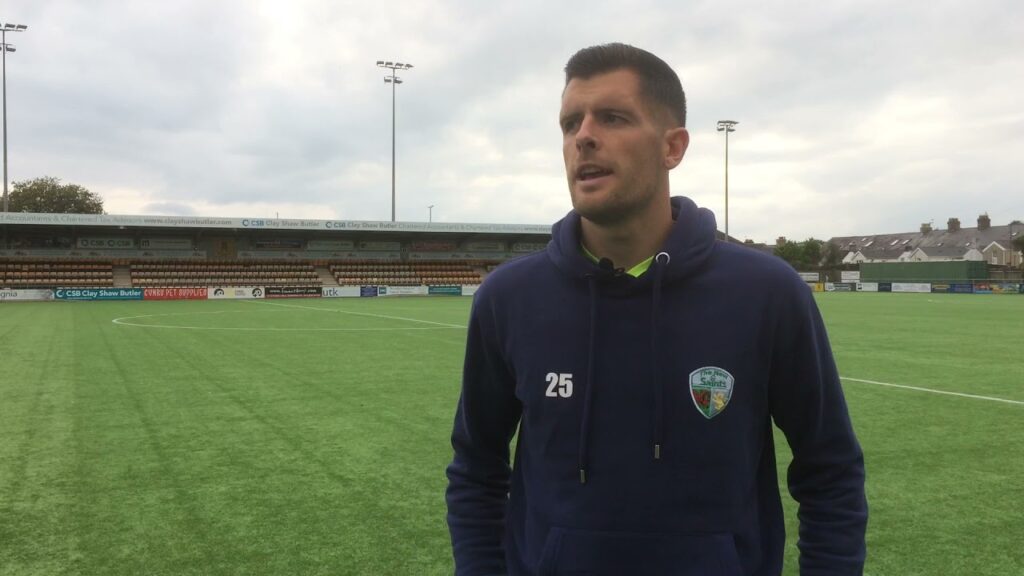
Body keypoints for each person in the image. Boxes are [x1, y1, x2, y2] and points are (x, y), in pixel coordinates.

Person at [445, 42, 867, 576]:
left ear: (674, 146)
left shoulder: (767, 292)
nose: (584, 137)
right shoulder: (508, 298)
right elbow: (476, 468)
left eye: (613, 117)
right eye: (570, 123)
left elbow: (830, 470)